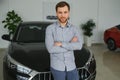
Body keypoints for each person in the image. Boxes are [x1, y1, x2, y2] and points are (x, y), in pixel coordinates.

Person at [45, 1, 83, 80]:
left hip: (71, 65)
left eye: (65, 12)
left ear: (68, 13)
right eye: (60, 12)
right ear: (56, 13)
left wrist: (61, 44)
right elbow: (51, 49)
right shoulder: (50, 29)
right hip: (57, 66)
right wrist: (70, 44)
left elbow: (79, 46)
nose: (63, 15)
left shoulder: (74, 29)